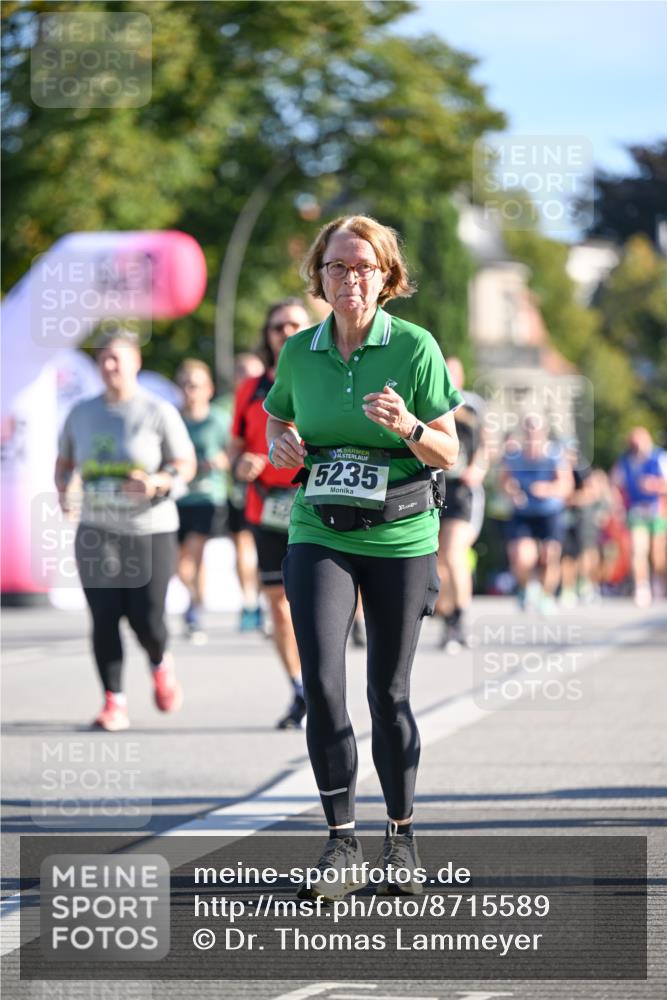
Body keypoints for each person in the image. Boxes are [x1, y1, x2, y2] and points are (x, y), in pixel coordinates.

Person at [265, 215, 461, 900]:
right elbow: (278, 416)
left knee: (389, 692)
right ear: (317, 276)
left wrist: (406, 425)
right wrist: (280, 443)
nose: (350, 279)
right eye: (337, 267)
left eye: (364, 267)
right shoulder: (298, 351)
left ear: (386, 277)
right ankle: (340, 841)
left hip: (400, 536)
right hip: (319, 527)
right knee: (321, 682)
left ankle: (400, 837)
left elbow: (448, 450)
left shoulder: (413, 348)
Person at [55, 329, 196, 732]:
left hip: (150, 527)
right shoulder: (81, 413)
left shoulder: (157, 411)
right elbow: (64, 463)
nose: (109, 366)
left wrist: (157, 482)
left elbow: (184, 463)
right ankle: (113, 702)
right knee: (104, 616)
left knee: (147, 619)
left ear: (136, 361)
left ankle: (159, 661)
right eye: (103, 359)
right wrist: (64, 492)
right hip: (97, 528)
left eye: (117, 358)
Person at [229, 299, 311, 729]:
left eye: (295, 325)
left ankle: (325, 686)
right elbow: (236, 448)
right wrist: (242, 465)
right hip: (267, 510)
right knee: (278, 606)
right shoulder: (251, 389)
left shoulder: (322, 378)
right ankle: (300, 688)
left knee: (316, 606)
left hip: (316, 505)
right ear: (268, 334)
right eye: (278, 326)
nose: (285, 332)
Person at [176, 359, 230, 644]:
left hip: (208, 496)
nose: (189, 391)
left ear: (208, 389)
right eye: (184, 384)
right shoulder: (173, 418)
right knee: (179, 563)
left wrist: (221, 461)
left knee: (193, 556)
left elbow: (232, 453)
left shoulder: (218, 419)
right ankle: (194, 600)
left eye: (194, 385)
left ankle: (195, 611)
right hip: (177, 496)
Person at [435, 356, 487, 652]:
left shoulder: (471, 405)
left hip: (462, 493)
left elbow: (487, 444)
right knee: (438, 561)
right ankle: (448, 619)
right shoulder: (425, 400)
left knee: (455, 553)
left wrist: (478, 469)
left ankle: (459, 619)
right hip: (435, 488)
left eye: (453, 372)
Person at [500, 416, 572, 614]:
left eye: (536, 432)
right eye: (528, 432)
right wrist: (512, 491)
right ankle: (526, 588)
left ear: (543, 433)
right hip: (523, 512)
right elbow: (504, 481)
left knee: (550, 554)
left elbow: (567, 485)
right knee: (522, 557)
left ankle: (547, 596)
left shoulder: (554, 455)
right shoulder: (514, 456)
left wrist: (548, 489)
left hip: (549, 512)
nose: (532, 436)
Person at [227, 352, 266, 631]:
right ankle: (250, 602)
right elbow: (232, 447)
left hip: (289, 487)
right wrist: (237, 463)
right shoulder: (229, 403)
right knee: (243, 548)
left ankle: (264, 601)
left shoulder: (283, 391)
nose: (246, 377)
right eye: (241, 371)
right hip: (245, 488)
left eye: (251, 372)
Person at [611, 427, 667, 606]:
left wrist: (654, 485)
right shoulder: (625, 461)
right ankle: (642, 587)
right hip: (636, 510)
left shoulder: (659, 457)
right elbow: (615, 484)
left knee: (657, 555)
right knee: (638, 549)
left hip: (656, 509)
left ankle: (659, 580)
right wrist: (618, 504)